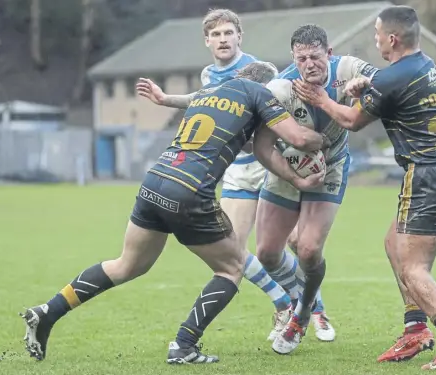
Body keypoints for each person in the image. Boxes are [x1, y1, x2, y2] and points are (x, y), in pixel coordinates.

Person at [20, 62, 330, 365]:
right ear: (266, 85)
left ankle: (48, 312)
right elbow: (299, 138)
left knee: (127, 265)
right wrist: (328, 136)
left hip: (155, 181)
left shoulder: (211, 93)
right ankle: (184, 344)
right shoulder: (259, 93)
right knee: (232, 267)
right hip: (189, 191)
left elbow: (245, 143)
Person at [292, 5, 436, 370]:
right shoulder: (424, 66)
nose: (374, 39)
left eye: (377, 33)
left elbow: (352, 120)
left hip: (427, 176)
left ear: (391, 38)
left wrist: (321, 99)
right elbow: (391, 92)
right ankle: (414, 329)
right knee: (394, 244)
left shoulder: (393, 77)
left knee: (413, 269)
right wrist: (363, 86)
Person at [135, 8, 336, 342]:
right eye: (216, 34)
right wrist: (165, 99)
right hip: (238, 171)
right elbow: (203, 99)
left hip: (270, 162)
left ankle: (314, 310)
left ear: (239, 36)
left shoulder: (262, 72)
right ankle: (286, 305)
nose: (223, 39)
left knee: (292, 243)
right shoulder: (207, 76)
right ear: (207, 41)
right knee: (233, 249)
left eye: (228, 33)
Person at [254, 24, 378, 355]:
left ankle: (305, 312)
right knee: (266, 253)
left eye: (316, 56)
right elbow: (262, 145)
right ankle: (306, 299)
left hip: (333, 165)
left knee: (307, 249)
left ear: (330, 53)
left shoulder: (348, 69)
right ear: (294, 58)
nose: (309, 64)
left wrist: (365, 85)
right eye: (301, 58)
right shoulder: (281, 88)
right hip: (289, 166)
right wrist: (295, 178)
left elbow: (383, 82)